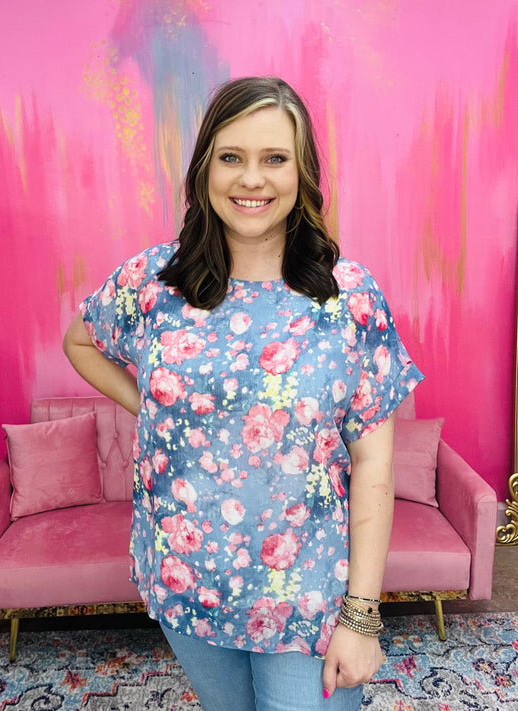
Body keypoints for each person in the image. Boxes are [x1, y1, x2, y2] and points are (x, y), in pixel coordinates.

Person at [63, 76, 423, 711]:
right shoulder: (154, 282)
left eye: (274, 158)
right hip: (188, 581)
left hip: (308, 594)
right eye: (232, 157)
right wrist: (157, 406)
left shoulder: (349, 298)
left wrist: (362, 617)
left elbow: (373, 462)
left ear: (302, 172)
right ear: (205, 167)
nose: (251, 179)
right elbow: (80, 342)